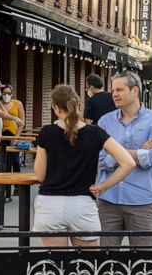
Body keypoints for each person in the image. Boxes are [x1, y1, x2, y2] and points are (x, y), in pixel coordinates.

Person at [33, 85, 135, 247]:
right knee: (87, 267)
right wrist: (103, 186)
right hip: (82, 205)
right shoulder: (95, 133)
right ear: (78, 105)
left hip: (50, 204)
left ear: (55, 107)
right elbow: (128, 162)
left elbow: (40, 175)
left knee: (56, 267)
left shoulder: (47, 132)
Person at [95, 71, 152, 246]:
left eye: (119, 89)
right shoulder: (105, 122)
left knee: (143, 262)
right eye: (113, 90)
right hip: (108, 201)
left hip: (141, 200)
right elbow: (99, 159)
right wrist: (138, 151)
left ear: (135, 91)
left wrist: (117, 155)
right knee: (106, 262)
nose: (114, 94)